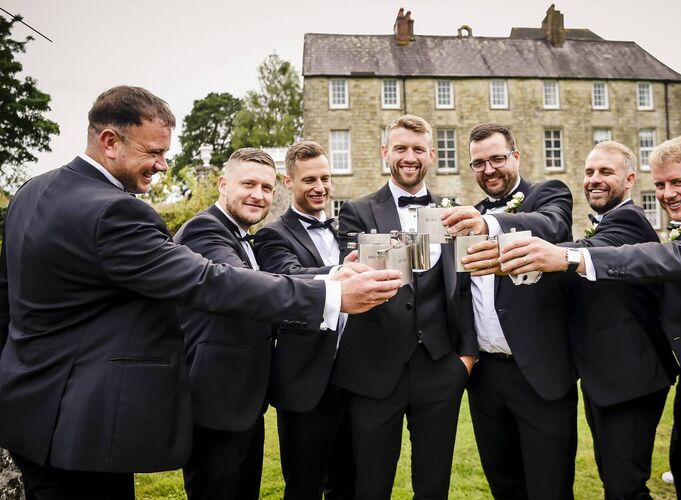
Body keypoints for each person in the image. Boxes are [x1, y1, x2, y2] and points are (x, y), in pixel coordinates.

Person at [0, 85, 402, 500]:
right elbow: (209, 280)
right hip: (84, 421)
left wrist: (332, 275)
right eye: (153, 152)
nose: (162, 165)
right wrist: (329, 298)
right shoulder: (115, 210)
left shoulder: (32, 192)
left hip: (27, 407)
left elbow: (7, 300)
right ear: (109, 142)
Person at [495, 135, 681, 499]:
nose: (667, 193)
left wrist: (568, 258)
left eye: (678, 182)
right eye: (660, 184)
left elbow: (675, 259)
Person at [332, 115, 477, 499]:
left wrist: (466, 358)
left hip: (439, 367)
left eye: (417, 149)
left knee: (433, 485)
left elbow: (462, 287)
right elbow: (352, 278)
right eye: (400, 148)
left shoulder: (454, 213)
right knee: (371, 484)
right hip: (374, 369)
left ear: (431, 154)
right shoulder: (357, 211)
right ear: (385, 153)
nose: (408, 157)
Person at [442, 123, 576, 499]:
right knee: (504, 485)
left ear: (515, 157)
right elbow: (461, 292)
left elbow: (552, 226)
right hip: (485, 379)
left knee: (550, 488)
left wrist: (490, 223)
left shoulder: (547, 195)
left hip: (539, 374)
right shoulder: (471, 215)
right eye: (479, 163)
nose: (489, 169)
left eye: (497, 159)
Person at [564, 140, 676, 499]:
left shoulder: (628, 220)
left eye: (605, 172)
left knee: (625, 486)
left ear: (629, 180)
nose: (594, 179)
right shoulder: (607, 221)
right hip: (609, 378)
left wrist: (548, 252)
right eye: (589, 172)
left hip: (632, 379)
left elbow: (589, 252)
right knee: (615, 479)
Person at [173, 148, 279, 500]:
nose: (258, 194)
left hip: (247, 400)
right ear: (222, 184)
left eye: (266, 187)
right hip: (215, 401)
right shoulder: (204, 229)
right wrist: (335, 287)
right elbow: (246, 288)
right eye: (248, 183)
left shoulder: (245, 236)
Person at [254, 141, 355, 499]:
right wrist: (345, 271)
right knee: (304, 484)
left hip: (356, 380)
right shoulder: (272, 235)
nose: (320, 187)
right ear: (289, 182)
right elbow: (288, 277)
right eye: (310, 179)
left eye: (326, 178)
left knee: (349, 481)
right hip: (307, 381)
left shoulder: (345, 230)